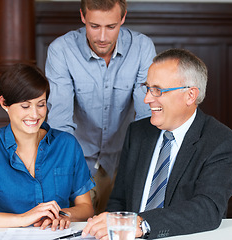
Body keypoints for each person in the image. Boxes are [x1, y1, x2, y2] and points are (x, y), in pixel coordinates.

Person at [82, 48, 232, 239]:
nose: (147, 99)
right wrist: (110, 227)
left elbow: (208, 209)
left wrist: (143, 224)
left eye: (158, 90)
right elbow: (119, 199)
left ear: (190, 95)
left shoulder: (222, 142)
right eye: (148, 88)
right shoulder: (137, 133)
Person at [45, 0, 156, 214]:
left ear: (123, 18)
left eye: (111, 26)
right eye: (94, 26)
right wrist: (68, 175)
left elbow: (146, 115)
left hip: (124, 160)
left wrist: (141, 171)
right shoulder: (61, 50)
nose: (102, 37)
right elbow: (60, 121)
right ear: (83, 17)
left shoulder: (142, 48)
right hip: (77, 161)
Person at [0, 64, 94, 230]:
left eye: (41, 104)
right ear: (4, 103)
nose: (34, 114)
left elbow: (86, 207)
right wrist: (22, 219)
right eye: (25, 106)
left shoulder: (66, 144)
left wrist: (63, 214)